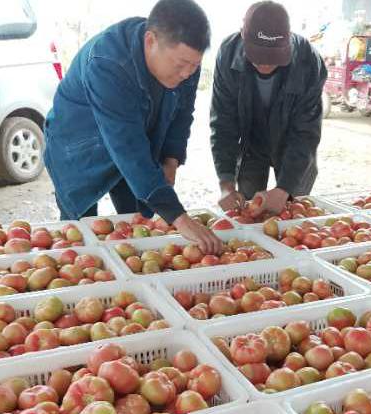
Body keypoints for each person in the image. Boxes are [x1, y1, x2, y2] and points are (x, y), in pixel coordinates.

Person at [43, 0, 222, 254]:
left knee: (139, 223)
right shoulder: (108, 62)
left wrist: (170, 160)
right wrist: (179, 217)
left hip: (133, 139)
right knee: (78, 234)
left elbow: (182, 115)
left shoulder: (185, 59)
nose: (186, 73)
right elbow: (127, 146)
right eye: (181, 65)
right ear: (150, 41)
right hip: (79, 146)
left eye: (194, 66)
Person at [211, 1, 328, 216]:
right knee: (248, 209)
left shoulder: (308, 62)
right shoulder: (228, 55)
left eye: (273, 56)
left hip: (294, 148)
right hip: (252, 145)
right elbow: (223, 123)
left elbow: (305, 132)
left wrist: (284, 188)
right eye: (257, 56)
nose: (265, 64)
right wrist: (226, 183)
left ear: (288, 40)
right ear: (242, 37)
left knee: (293, 209)